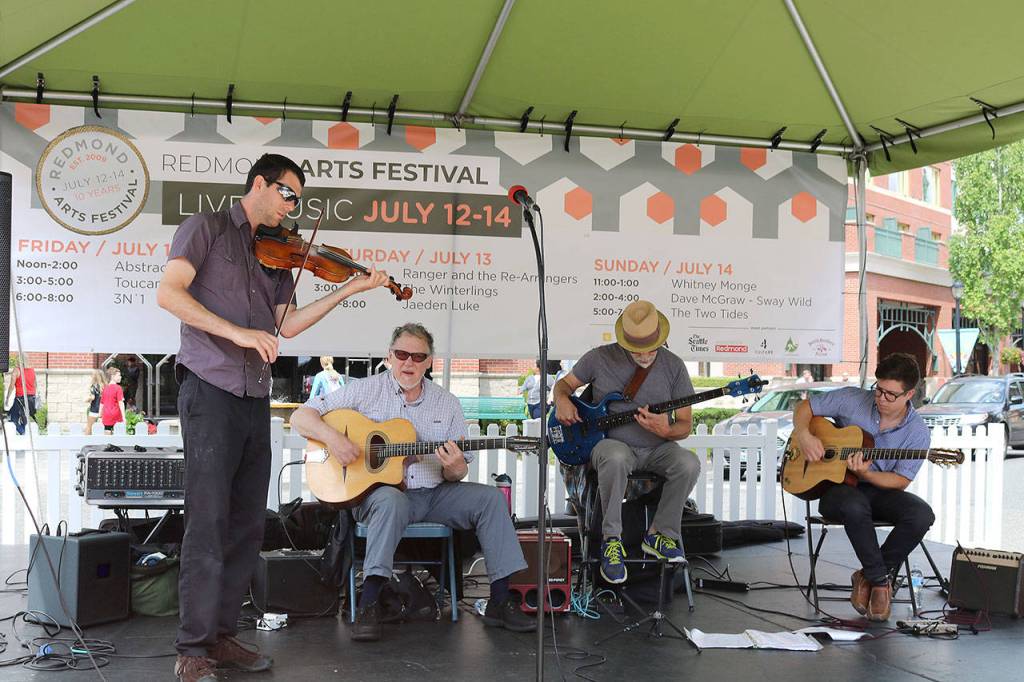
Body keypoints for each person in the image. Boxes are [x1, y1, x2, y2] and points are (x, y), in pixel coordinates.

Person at [157, 153, 391, 682]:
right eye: (289, 195)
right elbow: (168, 293)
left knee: (245, 525)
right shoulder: (207, 228)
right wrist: (238, 334)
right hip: (210, 388)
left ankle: (220, 636)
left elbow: (288, 324)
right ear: (259, 184)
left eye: (298, 201)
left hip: (252, 396)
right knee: (208, 520)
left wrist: (349, 288)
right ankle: (191, 648)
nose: (293, 207)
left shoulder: (279, 255)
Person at [290, 323, 536, 642]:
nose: (409, 363)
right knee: (391, 500)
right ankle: (369, 603)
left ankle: (500, 602)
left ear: (430, 361)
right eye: (402, 354)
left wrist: (455, 467)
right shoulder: (364, 390)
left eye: (418, 357)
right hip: (381, 496)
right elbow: (300, 417)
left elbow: (456, 474)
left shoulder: (446, 403)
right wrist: (334, 439)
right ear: (389, 356)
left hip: (434, 494)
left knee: (489, 499)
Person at [552, 300, 701, 584]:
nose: (645, 355)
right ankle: (611, 541)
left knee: (689, 463)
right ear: (624, 340)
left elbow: (684, 425)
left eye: (651, 347)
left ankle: (661, 534)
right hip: (612, 445)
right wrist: (561, 400)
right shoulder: (598, 358)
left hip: (657, 447)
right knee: (615, 457)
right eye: (636, 349)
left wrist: (666, 429)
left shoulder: (674, 367)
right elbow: (564, 385)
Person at [791, 352, 935, 622]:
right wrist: (805, 434)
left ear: (910, 394)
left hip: (878, 488)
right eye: (878, 389)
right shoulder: (851, 399)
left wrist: (866, 474)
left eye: (890, 394)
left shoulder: (917, 432)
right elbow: (804, 408)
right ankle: (881, 582)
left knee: (921, 515)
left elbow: (900, 481)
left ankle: (867, 576)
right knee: (854, 505)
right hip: (836, 488)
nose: (881, 398)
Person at [6, 362, 37, 435]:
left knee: (11, 417)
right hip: (31, 398)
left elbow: (11, 386)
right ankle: (24, 431)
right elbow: (35, 384)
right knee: (25, 418)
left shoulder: (16, 370)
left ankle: (22, 432)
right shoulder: (32, 370)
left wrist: (7, 397)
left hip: (20, 398)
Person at [100, 368, 126, 434]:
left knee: (107, 435)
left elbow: (102, 403)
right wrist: (124, 417)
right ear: (112, 376)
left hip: (106, 415)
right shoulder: (118, 388)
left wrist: (99, 415)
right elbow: (121, 403)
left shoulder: (105, 388)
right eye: (118, 375)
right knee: (117, 436)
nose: (121, 377)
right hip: (116, 415)